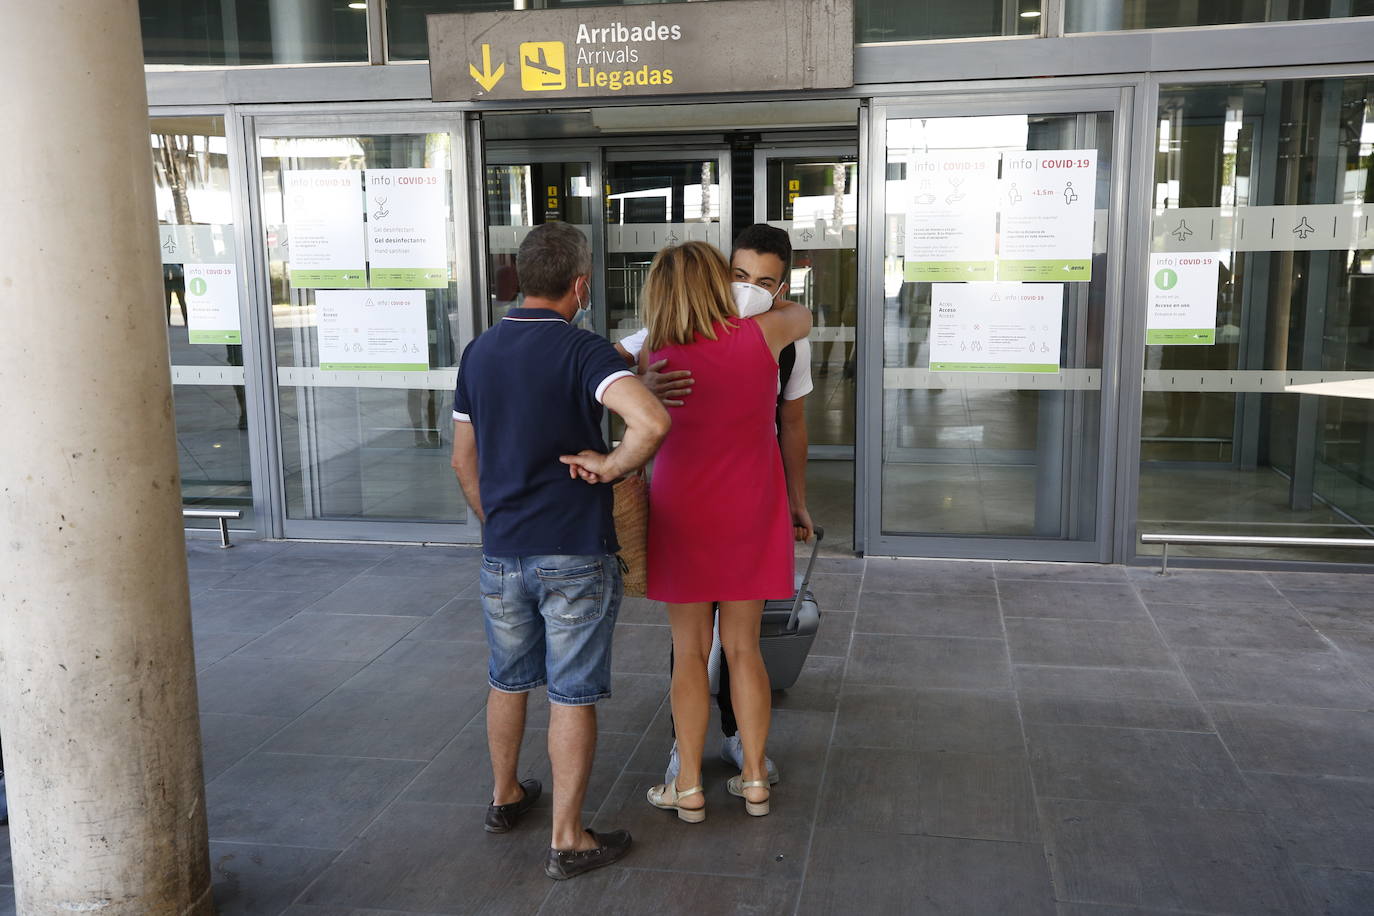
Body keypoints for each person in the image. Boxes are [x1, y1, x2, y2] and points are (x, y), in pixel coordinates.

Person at [450, 221, 670, 880]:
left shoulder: (480, 351)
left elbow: (464, 459)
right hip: (574, 550)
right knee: (570, 693)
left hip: (504, 550)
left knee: (507, 677)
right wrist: (611, 465)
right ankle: (568, 838)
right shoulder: (583, 351)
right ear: (580, 284)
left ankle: (506, 796)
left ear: (520, 279)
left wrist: (498, 524)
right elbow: (652, 421)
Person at [617, 225, 813, 789]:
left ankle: (687, 785)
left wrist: (638, 380)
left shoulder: (654, 347)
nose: (747, 290)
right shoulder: (770, 336)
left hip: (682, 514)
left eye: (761, 283)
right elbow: (800, 316)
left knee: (688, 653)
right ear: (718, 281)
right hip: (751, 508)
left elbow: (592, 371)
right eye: (738, 279)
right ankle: (753, 777)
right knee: (744, 649)